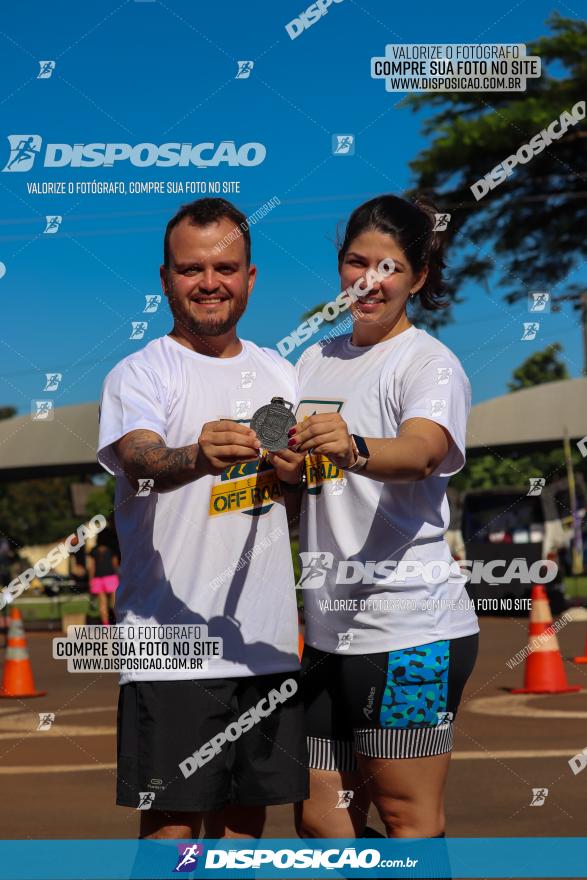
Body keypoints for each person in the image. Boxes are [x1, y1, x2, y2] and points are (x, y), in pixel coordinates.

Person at [97, 198, 308, 841]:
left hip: (265, 645)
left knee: (247, 827)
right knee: (175, 834)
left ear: (250, 277)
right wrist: (195, 456)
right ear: (165, 279)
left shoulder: (282, 371)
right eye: (191, 269)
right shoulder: (141, 373)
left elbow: (293, 505)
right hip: (173, 650)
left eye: (226, 267)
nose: (209, 283)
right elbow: (139, 458)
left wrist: (299, 478)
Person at [282, 194, 480, 840]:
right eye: (355, 262)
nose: (368, 280)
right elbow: (307, 476)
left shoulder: (426, 364)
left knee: (405, 815)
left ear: (418, 277)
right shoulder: (313, 361)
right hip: (327, 633)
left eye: (389, 267)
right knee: (319, 815)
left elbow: (421, 453)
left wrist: (354, 448)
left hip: (409, 631)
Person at [87, 525, 119, 625]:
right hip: (111, 578)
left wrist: (90, 580)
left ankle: (106, 627)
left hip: (98, 579)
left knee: (103, 605)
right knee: (114, 604)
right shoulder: (111, 549)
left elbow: (91, 567)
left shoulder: (93, 551)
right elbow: (115, 565)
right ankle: (119, 624)